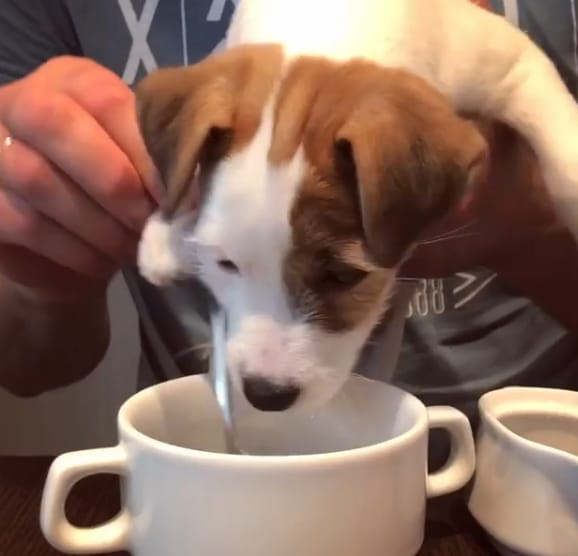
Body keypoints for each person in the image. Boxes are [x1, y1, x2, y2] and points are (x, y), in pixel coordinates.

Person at [0, 0, 577, 437]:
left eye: (339, 273)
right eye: (225, 261)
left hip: (528, 455)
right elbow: (25, 369)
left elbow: (515, 72)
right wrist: (43, 259)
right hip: (207, 452)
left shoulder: (446, 50)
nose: (268, 368)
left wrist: (529, 222)